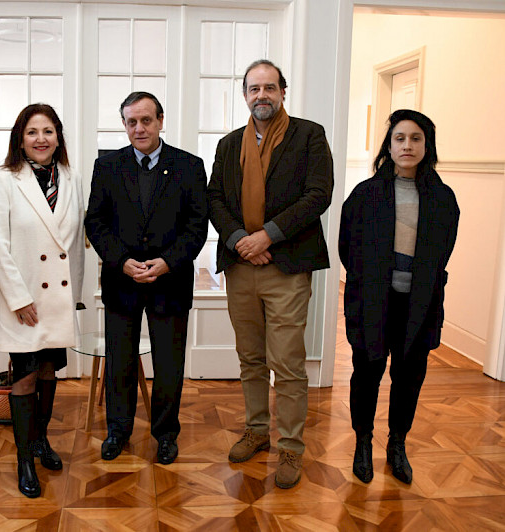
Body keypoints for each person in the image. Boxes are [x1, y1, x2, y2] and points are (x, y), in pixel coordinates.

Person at [207, 59, 333, 488]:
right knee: (251, 357)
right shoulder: (228, 145)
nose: (262, 95)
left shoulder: (309, 135)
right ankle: (257, 431)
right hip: (241, 266)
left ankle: (291, 449)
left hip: (288, 265)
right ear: (245, 95)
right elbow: (215, 200)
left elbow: (319, 194)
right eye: (254, 88)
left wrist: (269, 237)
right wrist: (243, 238)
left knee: (289, 362)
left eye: (269, 87)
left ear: (283, 91)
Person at [85, 91, 208, 465]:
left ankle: (166, 434)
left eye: (146, 120)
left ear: (160, 120)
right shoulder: (106, 166)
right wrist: (121, 261)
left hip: (169, 281)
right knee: (119, 361)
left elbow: (197, 226)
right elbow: (96, 222)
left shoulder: (189, 166)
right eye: (131, 122)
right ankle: (117, 431)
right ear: (124, 124)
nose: (139, 128)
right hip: (122, 281)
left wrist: (167, 262)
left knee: (169, 364)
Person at [339, 109, 459, 485]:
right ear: (389, 146)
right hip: (375, 302)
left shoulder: (442, 198)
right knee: (367, 376)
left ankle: (397, 445)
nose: (408, 145)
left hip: (418, 307)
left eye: (416, 138)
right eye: (400, 138)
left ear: (427, 145)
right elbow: (348, 248)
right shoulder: (365, 195)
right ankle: (362, 444)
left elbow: (443, 250)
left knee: (408, 379)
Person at [0, 103, 84, 498]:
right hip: (23, 301)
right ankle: (24, 460)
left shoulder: (72, 178)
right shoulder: (5, 178)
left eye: (48, 131)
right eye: (32, 132)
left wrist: (74, 294)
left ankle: (42, 441)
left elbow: (75, 244)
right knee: (24, 379)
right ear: (20, 139)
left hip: (57, 298)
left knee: (48, 373)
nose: (41, 139)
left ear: (58, 136)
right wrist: (17, 298)